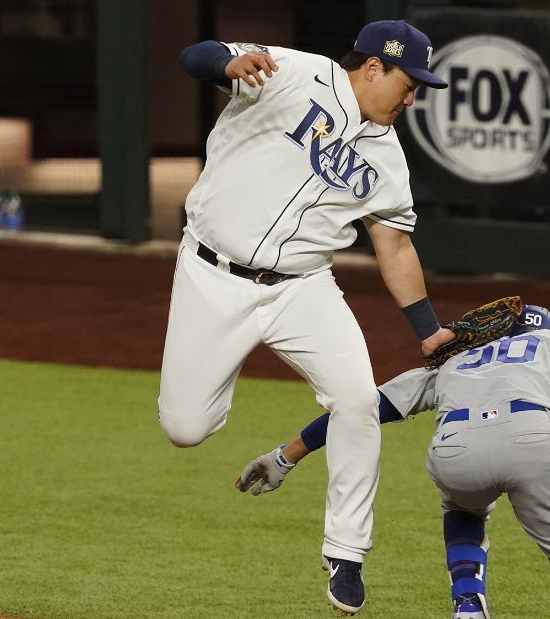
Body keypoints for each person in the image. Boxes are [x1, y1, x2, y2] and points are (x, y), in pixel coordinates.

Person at [161, 20, 452, 615]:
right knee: (185, 429)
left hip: (304, 287)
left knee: (357, 401)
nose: (413, 97)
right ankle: (214, 386)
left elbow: (394, 248)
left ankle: (346, 552)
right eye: (409, 82)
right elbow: (196, 54)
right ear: (374, 67)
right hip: (211, 275)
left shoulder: (388, 159)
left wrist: (429, 330)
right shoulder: (295, 73)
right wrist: (225, 66)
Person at [237, 304, 550, 619]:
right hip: (533, 441)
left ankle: (467, 604)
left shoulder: (456, 359)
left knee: (463, 508)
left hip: (455, 449)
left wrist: (287, 454)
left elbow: (362, 408)